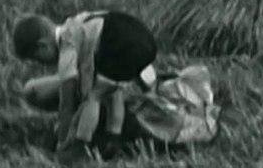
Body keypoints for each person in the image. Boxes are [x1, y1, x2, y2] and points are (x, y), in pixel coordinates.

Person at [12, 10, 159, 158]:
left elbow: (67, 104)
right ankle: (113, 138)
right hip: (142, 39)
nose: (42, 64)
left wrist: (62, 138)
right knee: (112, 88)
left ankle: (79, 146)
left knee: (93, 95)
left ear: (42, 46)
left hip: (122, 46)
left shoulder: (67, 47)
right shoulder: (76, 22)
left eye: (38, 59)